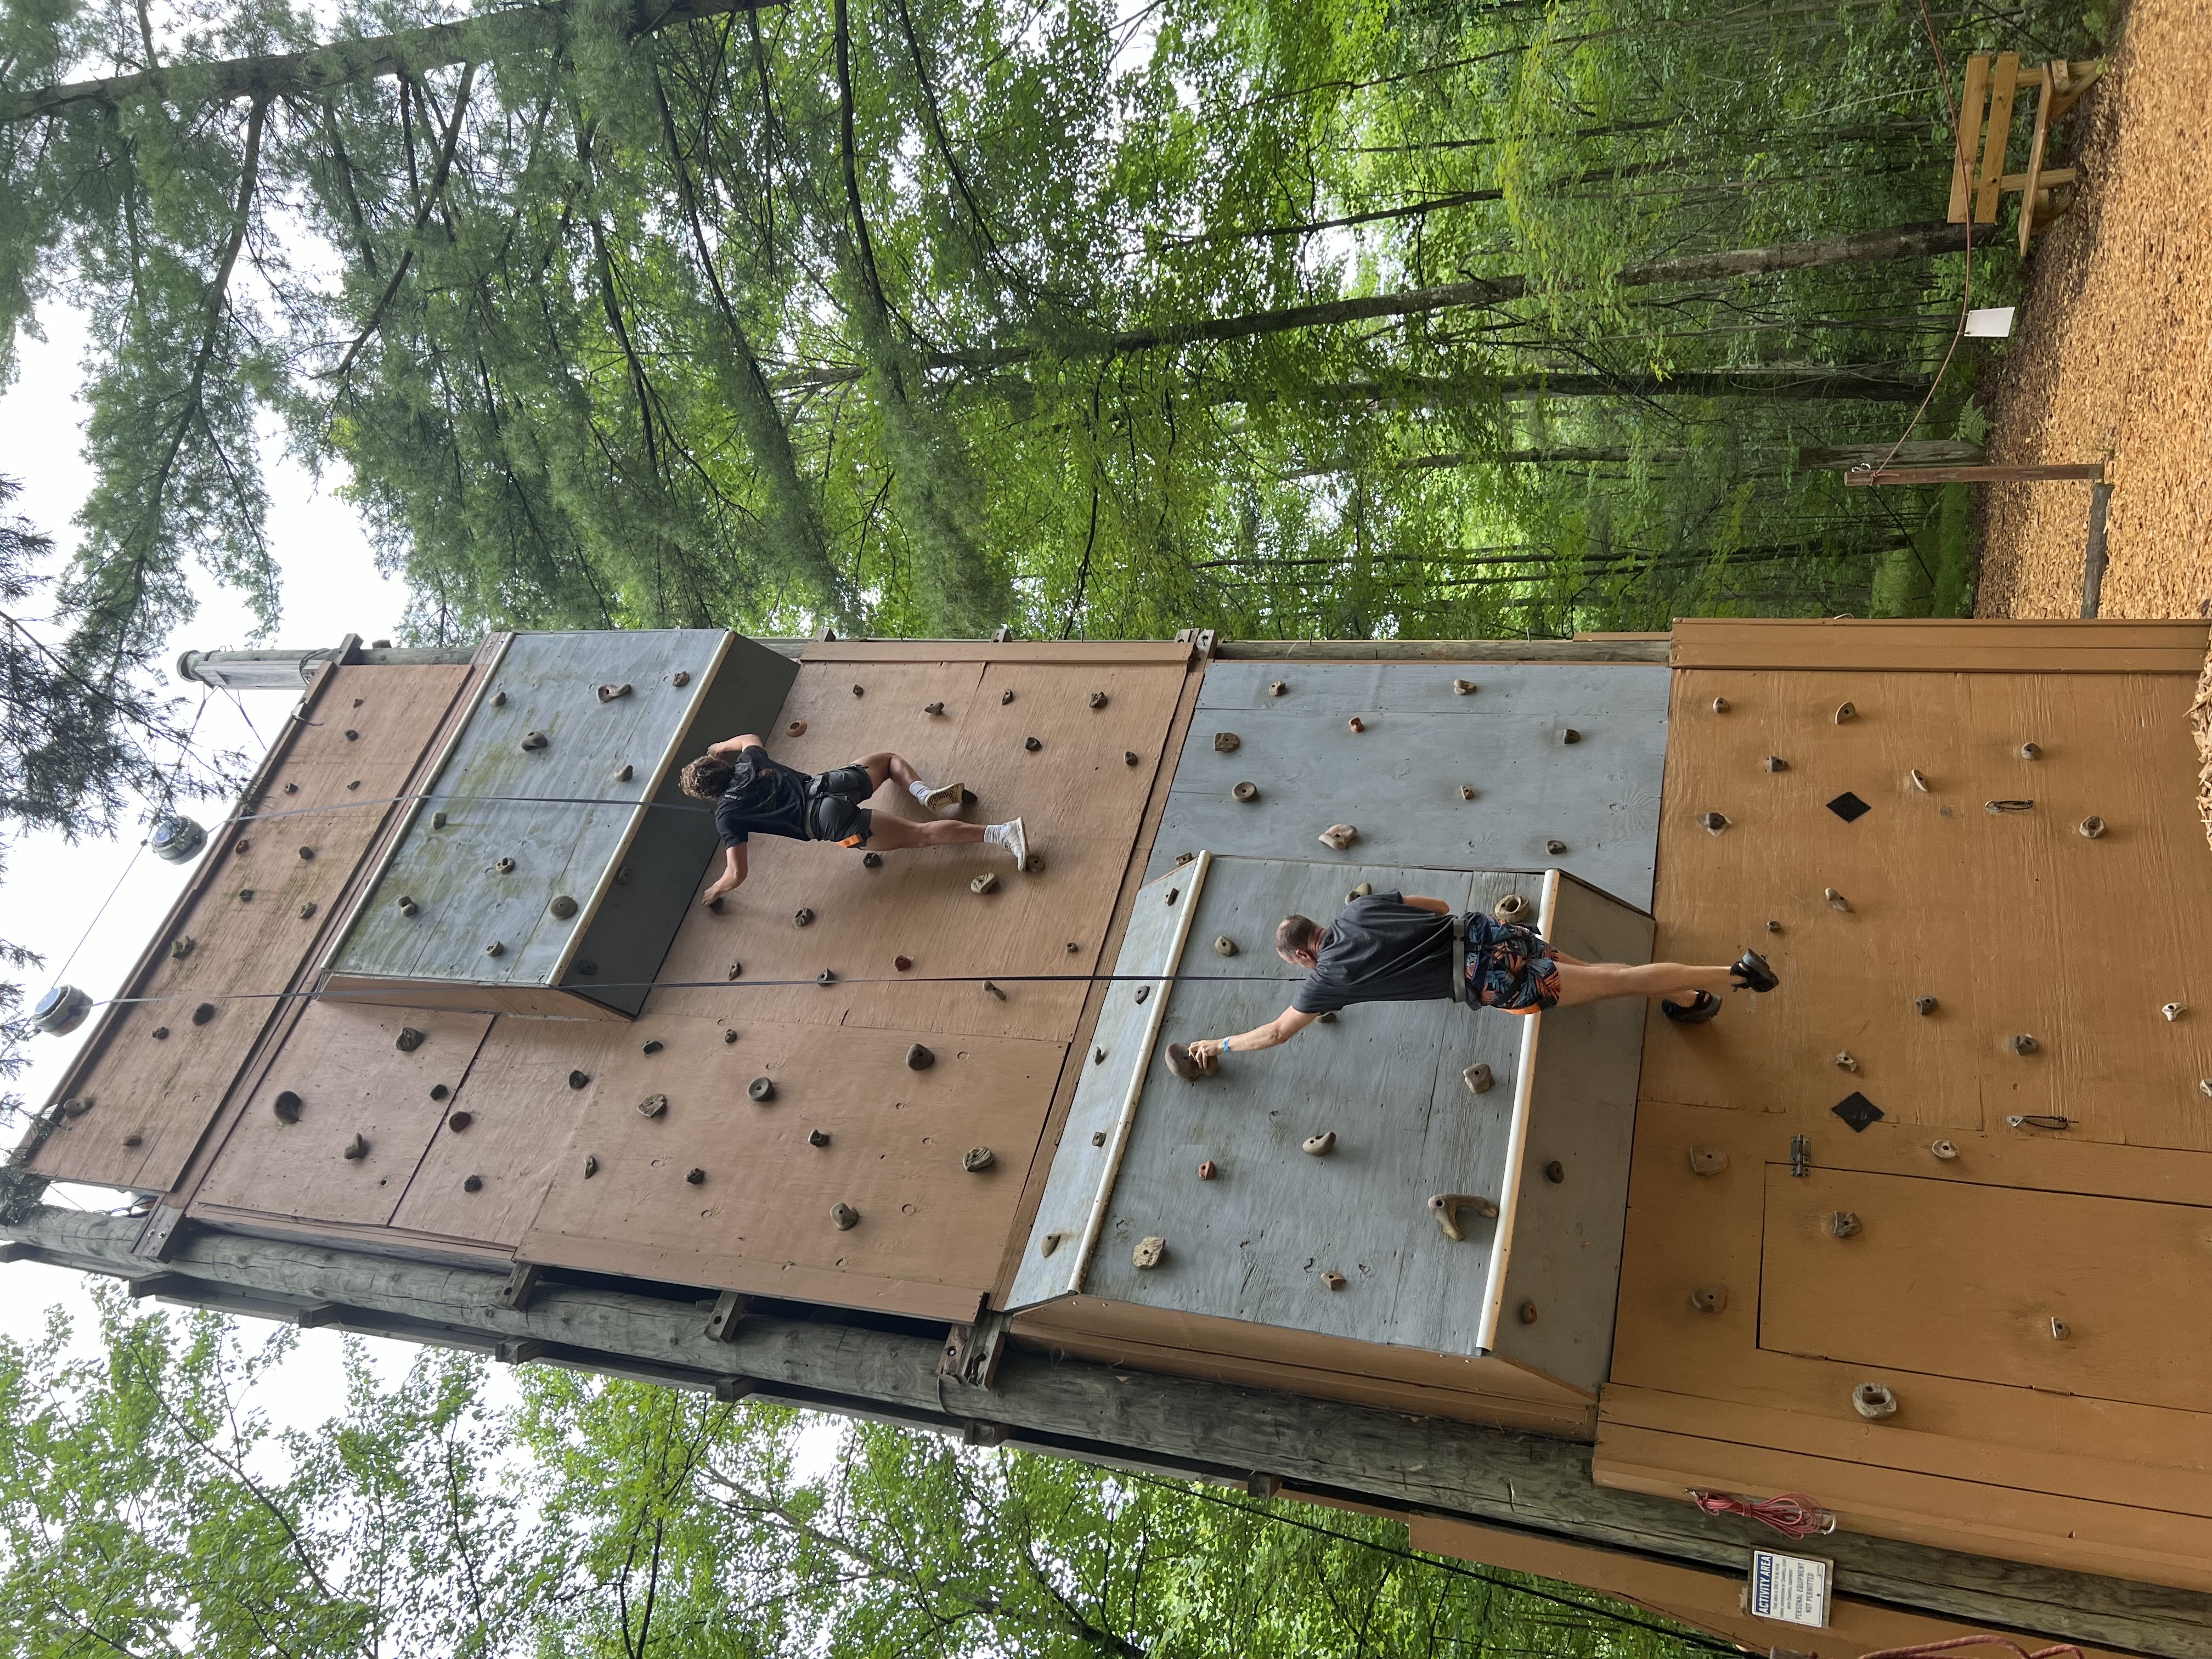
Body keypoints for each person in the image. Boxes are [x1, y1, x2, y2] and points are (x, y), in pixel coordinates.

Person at [1171, 890, 1774, 1075]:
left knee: (1617, 981)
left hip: (1488, 978)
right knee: (1601, 974)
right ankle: (1693, 999)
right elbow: (1433, 904)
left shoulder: (1330, 978)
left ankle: (1734, 974)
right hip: (1493, 936)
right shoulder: (1357, 910)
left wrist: (1218, 1045)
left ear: (1304, 956)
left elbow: (1277, 1033)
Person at [678, 733, 1026, 905]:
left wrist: (714, 890)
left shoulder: (727, 815)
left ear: (709, 795)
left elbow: (737, 874)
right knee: (888, 760)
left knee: (921, 836)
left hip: (828, 822)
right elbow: (750, 738)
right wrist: (718, 747)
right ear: (720, 768)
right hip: (829, 785)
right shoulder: (748, 761)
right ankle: (922, 793)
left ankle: (1003, 833)